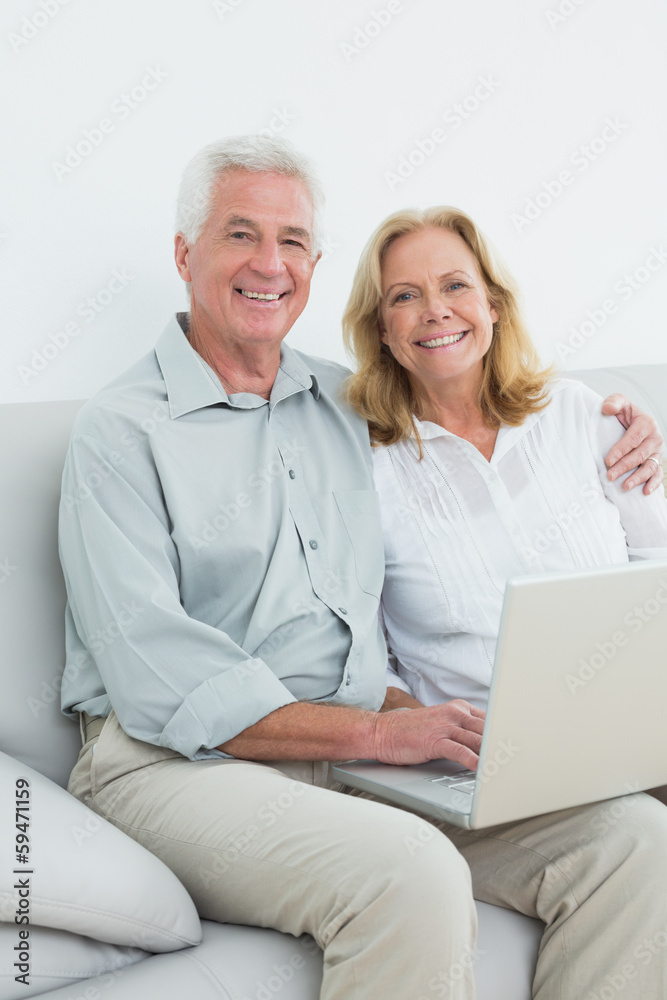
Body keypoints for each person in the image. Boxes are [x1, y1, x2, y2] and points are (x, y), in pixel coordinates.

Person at [59, 136, 663, 1000]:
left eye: (294, 240)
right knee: (411, 875)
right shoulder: (121, 433)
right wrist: (379, 732)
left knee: (635, 845)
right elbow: (159, 678)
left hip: (352, 758)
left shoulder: (345, 410)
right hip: (177, 764)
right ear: (186, 253)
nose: (270, 262)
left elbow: (467, 397)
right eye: (240, 234)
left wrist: (617, 427)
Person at [342, 204, 667, 998]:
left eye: (455, 285)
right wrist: (409, 724)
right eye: (404, 297)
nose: (435, 310)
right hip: (475, 773)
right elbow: (353, 659)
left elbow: (655, 565)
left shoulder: (580, 417)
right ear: (381, 332)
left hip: (620, 738)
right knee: (639, 838)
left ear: (493, 303)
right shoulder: (362, 468)